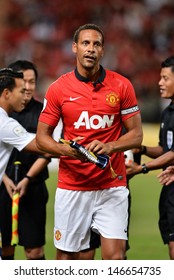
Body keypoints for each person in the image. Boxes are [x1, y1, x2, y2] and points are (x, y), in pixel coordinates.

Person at [36, 23, 143, 260]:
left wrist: (110, 146)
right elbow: (42, 139)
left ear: (103, 50)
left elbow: (136, 135)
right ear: (75, 47)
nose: (91, 49)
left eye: (96, 44)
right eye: (85, 43)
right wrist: (69, 152)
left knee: (115, 259)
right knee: (66, 260)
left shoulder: (122, 85)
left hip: (112, 185)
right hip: (72, 186)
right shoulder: (58, 89)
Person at [0, 61, 50, 260]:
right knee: (5, 250)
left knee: (34, 250)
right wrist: (72, 148)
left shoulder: (43, 112)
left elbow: (45, 151)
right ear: (7, 91)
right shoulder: (6, 120)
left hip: (32, 187)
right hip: (4, 189)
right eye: (22, 86)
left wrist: (28, 178)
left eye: (32, 82)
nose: (27, 89)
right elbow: (45, 146)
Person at [126, 55, 174, 260]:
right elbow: (165, 149)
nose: (159, 83)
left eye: (165, 78)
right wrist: (143, 150)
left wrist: (142, 169)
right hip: (169, 188)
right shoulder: (168, 113)